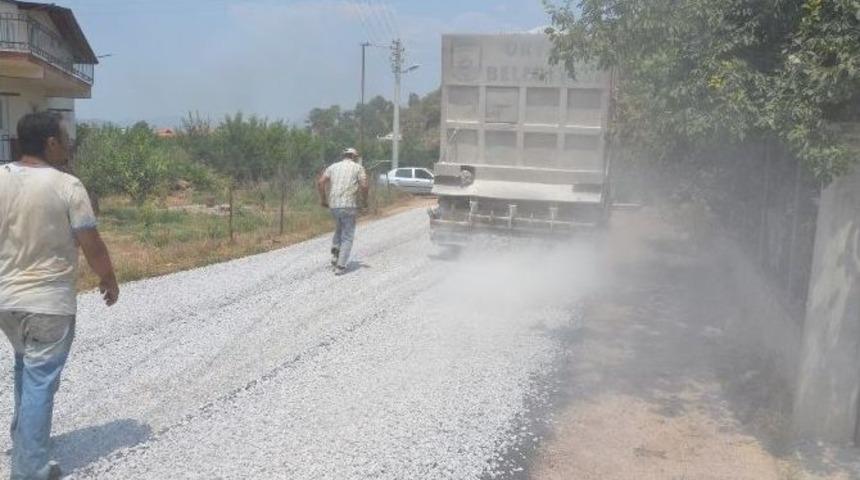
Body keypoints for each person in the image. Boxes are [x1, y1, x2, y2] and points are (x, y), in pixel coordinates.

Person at [0, 112, 119, 480]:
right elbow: (91, 243)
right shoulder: (68, 186)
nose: (68, 145)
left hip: (5, 300)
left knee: (25, 364)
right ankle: (31, 469)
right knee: (40, 378)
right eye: (64, 138)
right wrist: (109, 278)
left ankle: (24, 439)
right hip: (48, 302)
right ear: (50, 142)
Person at [317, 147, 369, 275]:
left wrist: (324, 199)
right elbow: (364, 186)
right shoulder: (358, 168)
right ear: (354, 156)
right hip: (349, 205)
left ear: (344, 155)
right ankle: (340, 266)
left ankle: (335, 257)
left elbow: (321, 182)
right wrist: (365, 201)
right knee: (347, 236)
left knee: (339, 229)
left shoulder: (333, 167)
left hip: (334, 205)